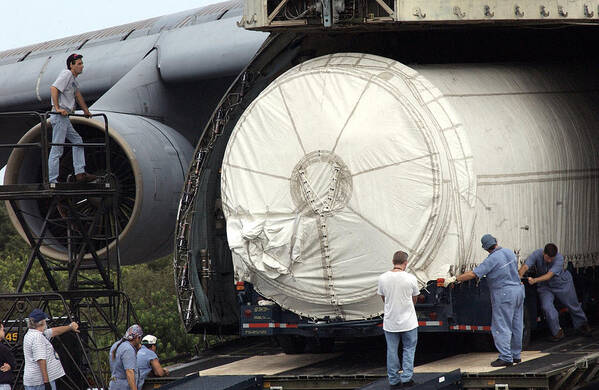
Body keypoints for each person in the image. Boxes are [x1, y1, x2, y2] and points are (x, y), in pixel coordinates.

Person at [448, 234, 524, 367]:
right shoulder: (509, 253)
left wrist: (455, 279)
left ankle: (506, 357)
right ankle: (516, 355)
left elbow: (473, 274)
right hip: (518, 291)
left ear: (485, 248)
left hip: (504, 294)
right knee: (516, 324)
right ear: (496, 241)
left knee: (502, 325)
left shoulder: (492, 259)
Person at [518, 243, 591, 341]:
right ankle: (557, 332)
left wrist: (534, 280)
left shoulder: (559, 259)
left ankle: (581, 324)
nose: (549, 261)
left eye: (552, 259)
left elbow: (549, 275)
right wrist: (518, 277)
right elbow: (526, 266)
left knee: (572, 304)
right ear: (544, 253)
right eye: (548, 258)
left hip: (561, 284)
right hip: (545, 286)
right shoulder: (537, 254)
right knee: (546, 307)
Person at [48, 53, 96, 184]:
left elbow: (77, 94)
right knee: (57, 148)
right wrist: (57, 108)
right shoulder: (67, 74)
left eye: (82, 63)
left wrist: (86, 111)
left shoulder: (73, 79)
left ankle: (80, 172)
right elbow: (54, 88)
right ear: (71, 65)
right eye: (79, 64)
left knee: (77, 140)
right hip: (60, 116)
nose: (82, 66)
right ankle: (52, 180)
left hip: (65, 117)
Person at [377, 251, 420, 388]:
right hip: (409, 322)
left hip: (390, 322)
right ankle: (407, 378)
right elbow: (415, 298)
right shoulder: (411, 278)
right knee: (408, 349)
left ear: (393, 261)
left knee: (392, 350)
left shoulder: (382, 278)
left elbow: (384, 298)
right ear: (405, 263)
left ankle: (394, 380)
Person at [22, 309, 80, 390]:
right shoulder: (37, 337)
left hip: (33, 380)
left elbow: (53, 331)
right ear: (42, 322)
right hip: (40, 382)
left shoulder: (32, 334)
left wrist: (69, 327)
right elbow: (41, 359)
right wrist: (46, 382)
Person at [109, 324, 143, 390]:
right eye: (140, 338)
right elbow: (129, 372)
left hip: (114, 385)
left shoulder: (116, 345)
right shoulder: (128, 349)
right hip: (123, 387)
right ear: (137, 337)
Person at [0, 323, 17, 390]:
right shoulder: (3, 349)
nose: (4, 332)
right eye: (2, 330)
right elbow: (13, 363)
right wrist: (11, 366)